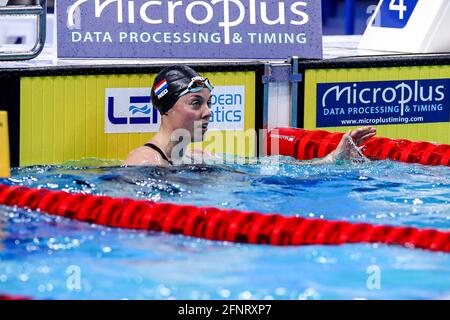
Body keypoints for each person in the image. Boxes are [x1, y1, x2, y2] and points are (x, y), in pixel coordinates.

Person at [124, 65, 376, 166]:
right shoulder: (143, 162)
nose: (207, 112)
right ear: (166, 107)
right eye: (195, 103)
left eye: (209, 103)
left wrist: (333, 159)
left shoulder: (198, 157)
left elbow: (271, 174)